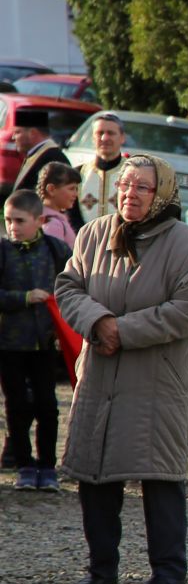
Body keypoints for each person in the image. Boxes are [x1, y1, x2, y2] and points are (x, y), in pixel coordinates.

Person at [57, 155, 188, 584]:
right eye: (125, 184)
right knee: (95, 474)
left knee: (159, 476)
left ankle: (168, 573)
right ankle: (101, 570)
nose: (131, 193)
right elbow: (69, 287)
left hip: (156, 381)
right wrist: (98, 321)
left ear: (161, 193)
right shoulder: (92, 234)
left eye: (143, 187)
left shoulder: (185, 244)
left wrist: (121, 331)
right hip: (100, 377)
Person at [0, 189, 72, 491]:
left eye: (20, 220)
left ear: (39, 220)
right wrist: (24, 298)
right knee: (16, 406)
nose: (13, 227)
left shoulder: (56, 251)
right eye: (8, 220)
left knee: (47, 406)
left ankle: (47, 466)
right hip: (10, 344)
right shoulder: (2, 252)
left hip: (45, 344)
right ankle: (25, 465)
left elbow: (73, 287)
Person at [11, 110, 79, 228]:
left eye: (17, 132)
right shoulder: (38, 154)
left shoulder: (53, 158)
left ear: (32, 133)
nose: (13, 137)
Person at [76, 113, 127, 224]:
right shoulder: (78, 173)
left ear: (122, 138)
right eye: (100, 133)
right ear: (93, 138)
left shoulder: (133, 172)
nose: (104, 138)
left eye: (111, 133)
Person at [37, 161, 79, 247]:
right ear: (51, 189)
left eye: (76, 189)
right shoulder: (52, 224)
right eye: (71, 189)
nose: (76, 194)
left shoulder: (53, 219)